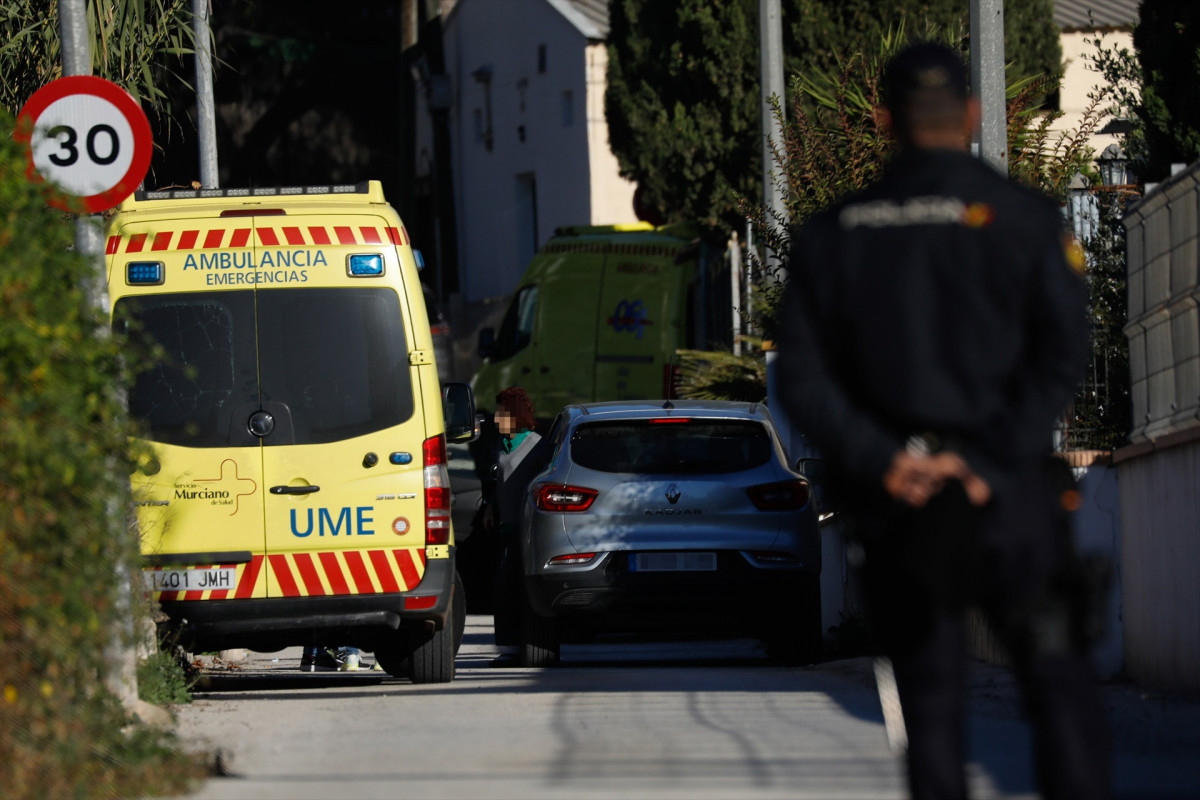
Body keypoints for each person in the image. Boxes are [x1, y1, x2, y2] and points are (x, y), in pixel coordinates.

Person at [776, 41, 1110, 800]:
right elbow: (1063, 355)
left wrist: (885, 459)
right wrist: (991, 462)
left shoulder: (836, 234)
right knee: (1060, 692)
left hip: (903, 507)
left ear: (884, 119)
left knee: (930, 709)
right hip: (1012, 497)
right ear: (970, 114)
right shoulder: (1026, 220)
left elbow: (801, 373)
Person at [485, 387, 550, 655]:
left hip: (528, 530)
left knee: (523, 588)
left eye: (501, 413)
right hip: (506, 527)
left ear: (515, 415)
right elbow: (498, 480)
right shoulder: (500, 445)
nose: (495, 419)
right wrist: (490, 505)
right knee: (504, 587)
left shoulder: (538, 446)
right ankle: (508, 646)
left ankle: (527, 644)